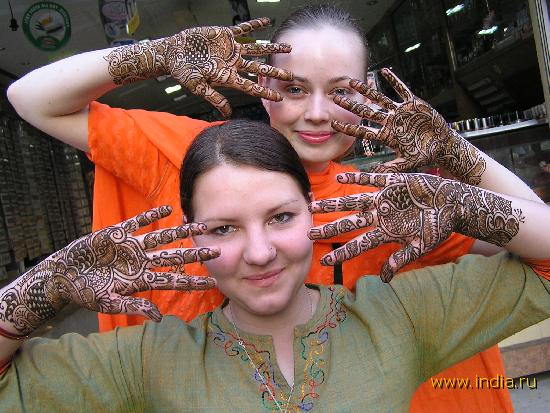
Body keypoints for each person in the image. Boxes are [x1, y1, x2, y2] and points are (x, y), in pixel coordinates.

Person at [6, 5, 543, 411]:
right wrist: (155, 55)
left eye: (340, 91)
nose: (316, 114)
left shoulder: (394, 202)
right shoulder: (193, 154)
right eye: (292, 87)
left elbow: (535, 233)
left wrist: (456, 156)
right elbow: (32, 99)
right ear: (262, 85)